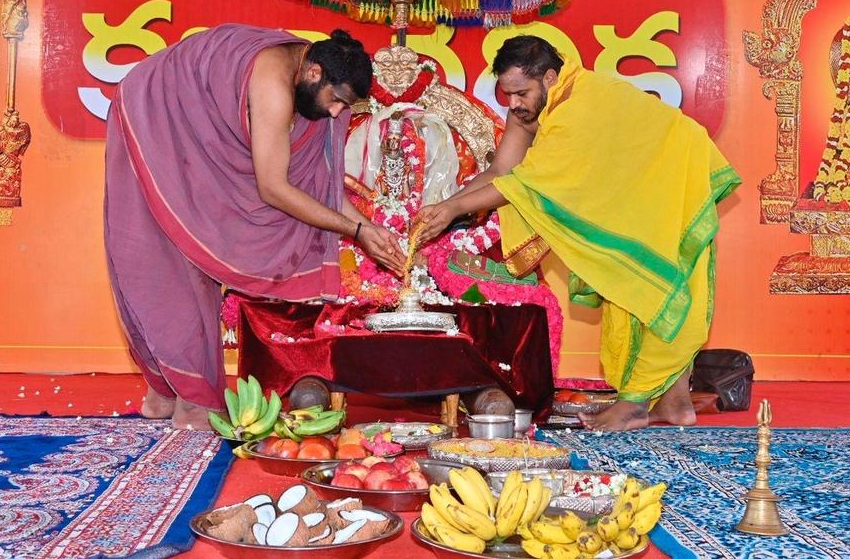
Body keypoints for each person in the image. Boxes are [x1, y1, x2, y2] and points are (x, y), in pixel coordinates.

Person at [414, 36, 739, 431]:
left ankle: (636, 404)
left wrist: (451, 209)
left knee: (647, 288)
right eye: (508, 94)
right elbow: (502, 171)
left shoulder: (580, 105)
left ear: (551, 78)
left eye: (521, 93)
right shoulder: (533, 109)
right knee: (628, 279)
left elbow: (526, 186)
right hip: (632, 195)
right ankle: (676, 404)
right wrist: (443, 209)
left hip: (671, 184)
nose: (514, 104)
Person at [105, 25, 405, 429]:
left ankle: (169, 393)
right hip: (155, 115)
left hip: (200, 137)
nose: (337, 113)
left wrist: (368, 230)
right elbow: (275, 189)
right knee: (170, 261)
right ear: (314, 72)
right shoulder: (275, 86)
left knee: (200, 261)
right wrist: (355, 232)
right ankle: (185, 397)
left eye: (343, 106)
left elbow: (322, 190)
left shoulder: (314, 87)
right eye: (336, 102)